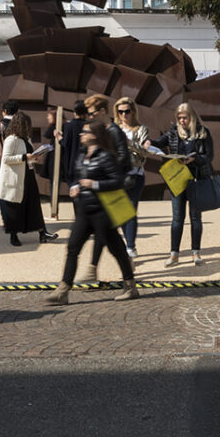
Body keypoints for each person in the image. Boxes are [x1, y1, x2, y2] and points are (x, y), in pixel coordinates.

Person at [45, 120, 139, 305]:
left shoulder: (105, 157)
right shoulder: (82, 155)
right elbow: (80, 178)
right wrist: (76, 187)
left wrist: (94, 184)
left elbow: (117, 181)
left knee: (117, 249)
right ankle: (63, 289)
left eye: (85, 132)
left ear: (94, 135)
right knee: (73, 248)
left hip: (102, 212)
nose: (81, 135)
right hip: (84, 211)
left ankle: (130, 286)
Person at [150, 102, 214, 266]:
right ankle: (174, 254)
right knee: (177, 217)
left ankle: (196, 253)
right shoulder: (173, 132)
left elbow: (209, 156)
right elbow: (157, 143)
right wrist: (147, 143)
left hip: (196, 178)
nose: (181, 121)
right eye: (179, 118)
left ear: (191, 117)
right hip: (178, 179)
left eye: (184, 117)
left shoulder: (202, 132)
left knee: (195, 217)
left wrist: (195, 159)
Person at [77, 94, 132, 282]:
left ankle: (97, 268)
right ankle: (122, 267)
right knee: (106, 232)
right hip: (102, 189)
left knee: (106, 232)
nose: (89, 117)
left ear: (101, 112)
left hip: (110, 187)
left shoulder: (113, 131)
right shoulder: (101, 130)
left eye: (92, 113)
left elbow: (124, 157)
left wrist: (108, 167)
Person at [0, 112, 58, 246]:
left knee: (34, 205)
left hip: (28, 175)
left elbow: (28, 157)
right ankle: (13, 235)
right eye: (27, 125)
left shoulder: (27, 139)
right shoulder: (11, 139)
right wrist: (24, 157)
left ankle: (43, 232)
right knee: (15, 208)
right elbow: (5, 159)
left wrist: (34, 158)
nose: (28, 128)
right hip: (16, 179)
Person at [113, 97, 150, 259]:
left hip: (135, 174)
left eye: (127, 111)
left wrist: (128, 142)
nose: (124, 115)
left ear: (133, 111)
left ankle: (130, 247)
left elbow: (144, 152)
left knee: (131, 210)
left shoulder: (141, 129)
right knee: (120, 212)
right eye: (120, 112)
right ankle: (128, 243)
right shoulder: (114, 128)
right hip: (117, 174)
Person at [56, 100, 87, 188]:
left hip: (71, 165)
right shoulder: (88, 126)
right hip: (85, 165)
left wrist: (58, 137)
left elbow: (65, 143)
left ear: (74, 112)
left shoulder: (68, 126)